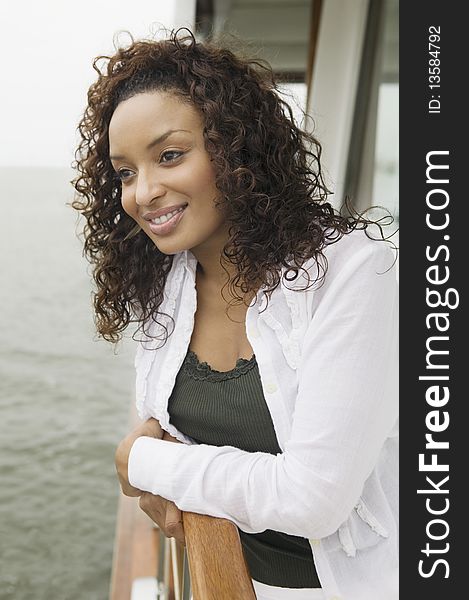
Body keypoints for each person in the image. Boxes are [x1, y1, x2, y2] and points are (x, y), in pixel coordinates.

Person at [72, 28, 398, 600]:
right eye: (125, 172)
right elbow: (165, 431)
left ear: (235, 147)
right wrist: (153, 459)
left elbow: (313, 498)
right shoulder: (167, 284)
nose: (143, 192)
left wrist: (140, 462)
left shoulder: (355, 276)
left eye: (170, 155)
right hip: (223, 574)